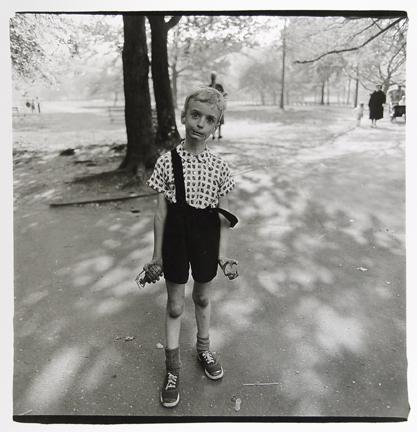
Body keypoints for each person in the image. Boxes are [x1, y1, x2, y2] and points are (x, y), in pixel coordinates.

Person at [142, 86, 239, 408]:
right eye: (195, 115)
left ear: (216, 127)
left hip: (205, 239)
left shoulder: (221, 169)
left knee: (201, 296)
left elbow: (224, 217)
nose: (200, 123)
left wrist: (223, 256)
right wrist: (156, 256)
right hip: (175, 238)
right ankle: (172, 369)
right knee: (174, 306)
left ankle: (204, 348)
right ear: (184, 116)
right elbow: (160, 214)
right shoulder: (166, 162)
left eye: (209, 119)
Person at [208, 72, 227, 139]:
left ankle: (219, 134)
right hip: (212, 106)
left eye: (214, 76)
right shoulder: (209, 86)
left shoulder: (219, 86)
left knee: (219, 120)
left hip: (219, 105)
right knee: (213, 120)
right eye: (212, 77)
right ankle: (213, 134)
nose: (213, 78)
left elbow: (224, 94)